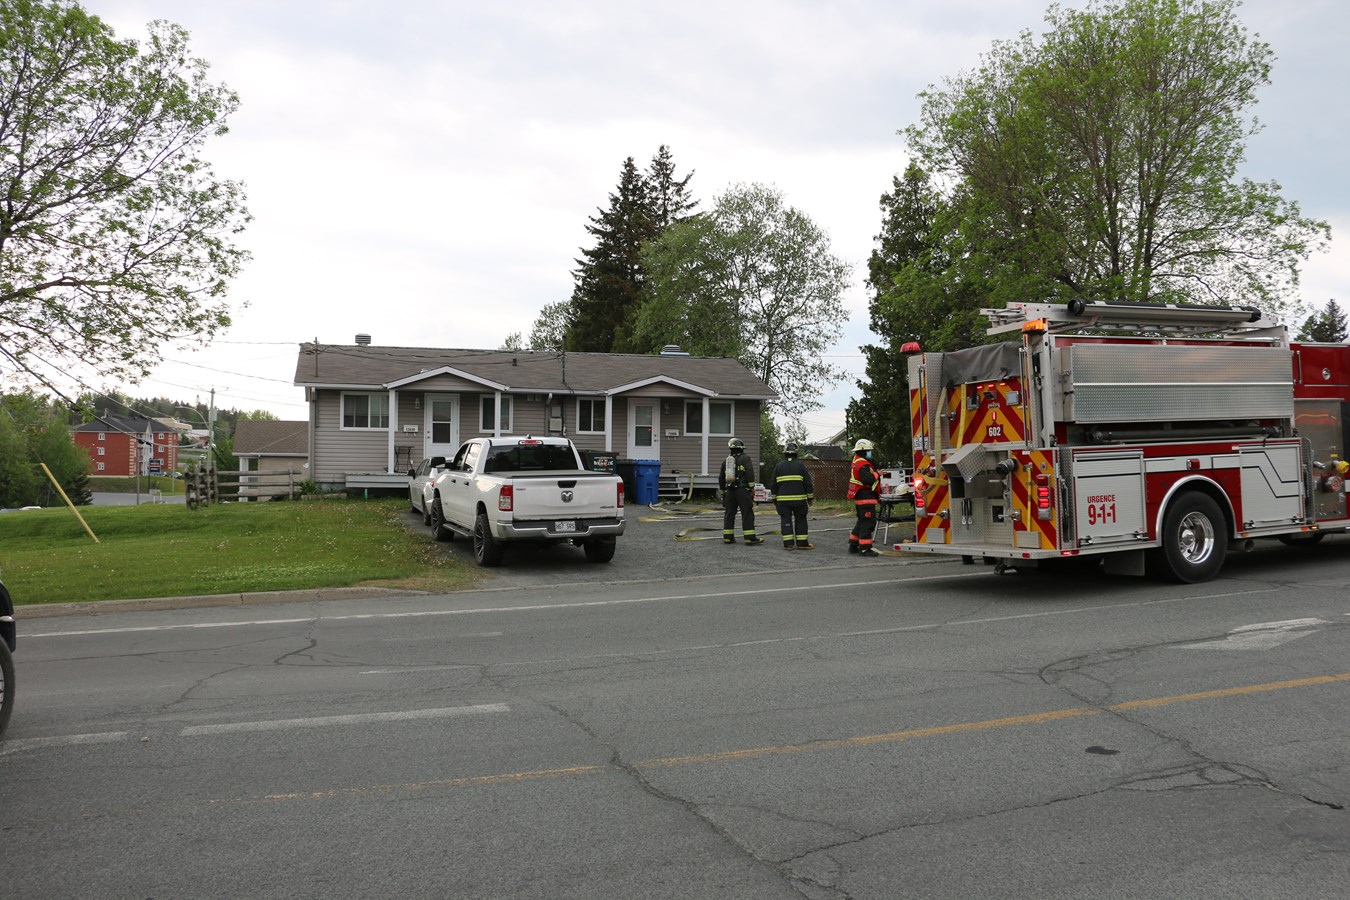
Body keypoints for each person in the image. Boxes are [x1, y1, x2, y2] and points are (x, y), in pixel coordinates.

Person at [718, 437, 763, 544]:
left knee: (729, 514)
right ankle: (749, 538)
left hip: (730, 491)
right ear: (741, 449)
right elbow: (750, 474)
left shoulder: (726, 461)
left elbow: (721, 478)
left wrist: (723, 493)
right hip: (742, 491)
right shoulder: (745, 458)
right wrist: (752, 488)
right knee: (747, 513)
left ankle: (728, 537)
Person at [771, 441, 814, 550]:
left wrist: (774, 499)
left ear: (785, 453)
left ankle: (788, 544)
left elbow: (773, 484)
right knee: (801, 519)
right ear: (796, 453)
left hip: (783, 501)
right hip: (799, 501)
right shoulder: (800, 466)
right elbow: (808, 483)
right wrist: (810, 497)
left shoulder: (778, 466)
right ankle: (802, 544)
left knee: (786, 520)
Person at [847, 438, 882, 557]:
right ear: (864, 451)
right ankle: (865, 549)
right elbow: (867, 479)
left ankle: (853, 545)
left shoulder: (857, 461)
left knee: (862, 522)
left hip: (861, 497)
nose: (870, 453)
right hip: (865, 497)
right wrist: (878, 474)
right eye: (869, 451)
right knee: (868, 523)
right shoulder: (862, 464)